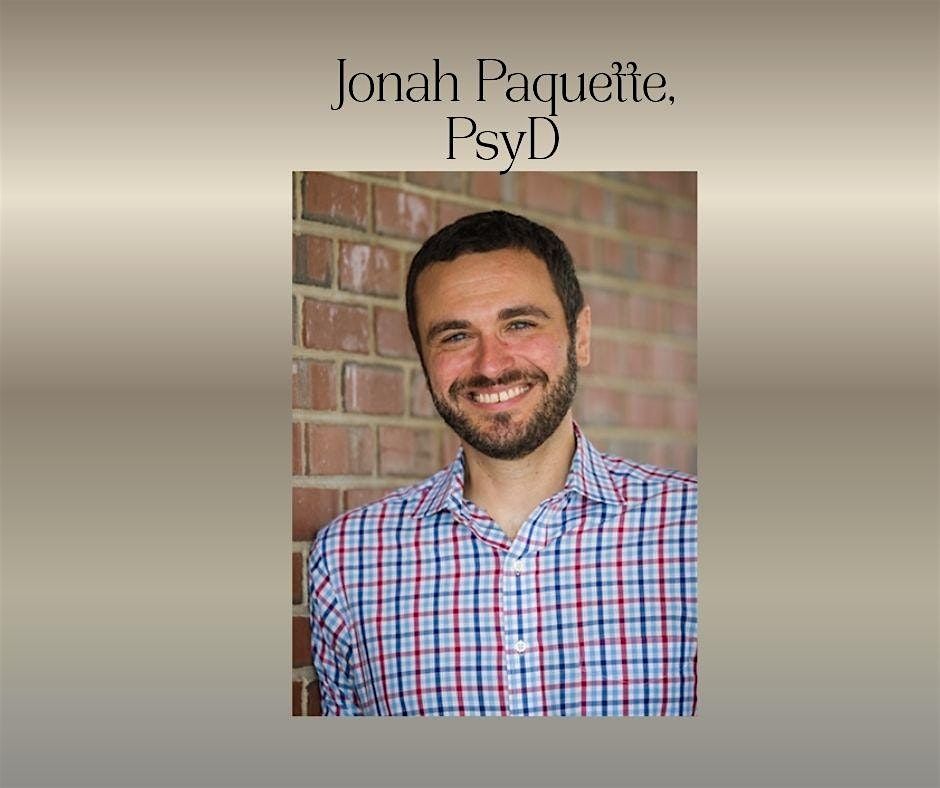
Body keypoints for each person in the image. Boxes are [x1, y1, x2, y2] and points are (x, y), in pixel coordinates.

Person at [308, 210, 697, 716]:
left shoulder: (693, 531)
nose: (491, 365)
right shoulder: (348, 561)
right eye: (455, 336)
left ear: (580, 336)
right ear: (424, 358)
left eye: (519, 324)